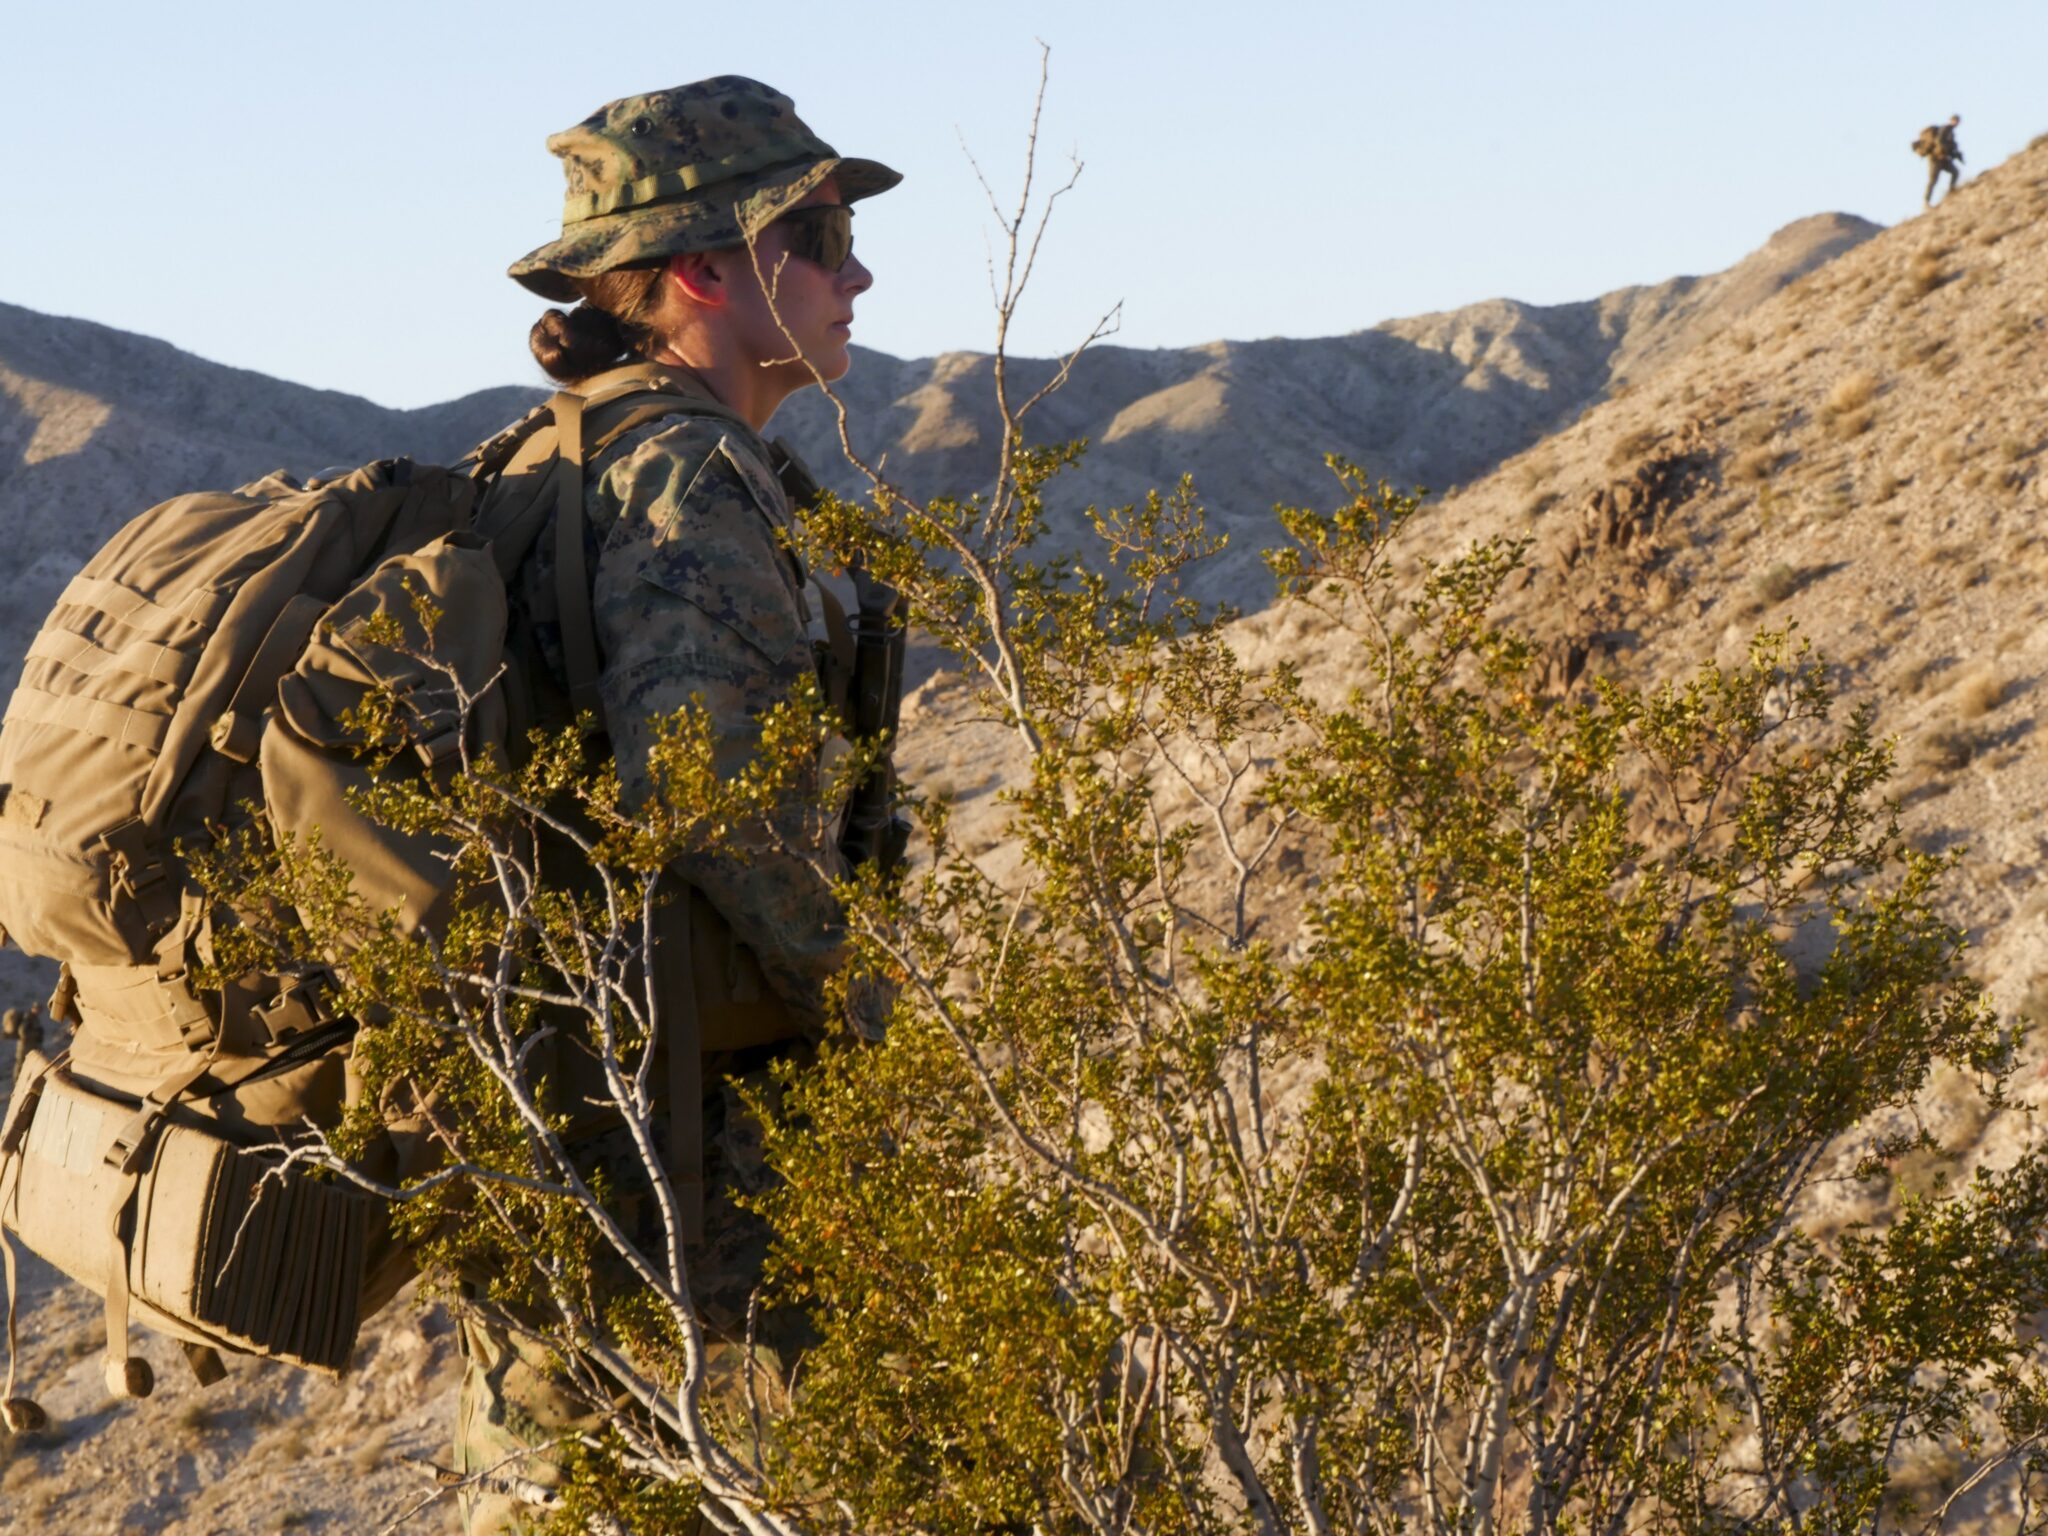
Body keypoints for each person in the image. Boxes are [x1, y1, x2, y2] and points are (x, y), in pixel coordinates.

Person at [452, 76, 900, 1533]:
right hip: (699, 1165)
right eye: (820, 236)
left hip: (562, 1116)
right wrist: (878, 999)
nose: (858, 272)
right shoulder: (684, 473)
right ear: (706, 268)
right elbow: (711, 797)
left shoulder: (537, 463)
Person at [1917, 113, 1964, 206]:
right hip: (1935, 159)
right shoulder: (1945, 129)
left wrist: (1955, 154)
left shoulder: (1951, 132)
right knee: (1933, 180)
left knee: (1955, 172)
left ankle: (1951, 192)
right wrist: (1943, 151)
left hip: (1944, 160)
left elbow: (1951, 147)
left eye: (1958, 121)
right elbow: (1939, 141)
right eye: (1955, 121)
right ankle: (1926, 202)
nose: (1956, 123)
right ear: (1951, 120)